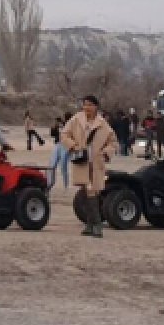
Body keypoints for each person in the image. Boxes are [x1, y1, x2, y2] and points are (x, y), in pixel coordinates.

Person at [61, 95, 118, 238]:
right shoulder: (76, 120)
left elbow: (113, 142)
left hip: (96, 161)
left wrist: (106, 153)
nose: (86, 107)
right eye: (85, 104)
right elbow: (64, 135)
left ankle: (96, 225)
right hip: (82, 160)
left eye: (90, 105)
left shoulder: (103, 124)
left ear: (96, 106)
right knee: (87, 191)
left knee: (92, 190)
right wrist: (73, 146)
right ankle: (91, 224)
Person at [49, 115, 69, 189]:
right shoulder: (56, 127)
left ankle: (65, 185)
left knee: (63, 166)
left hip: (65, 146)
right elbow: (52, 134)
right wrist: (54, 127)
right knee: (52, 165)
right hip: (58, 145)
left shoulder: (67, 125)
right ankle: (50, 183)